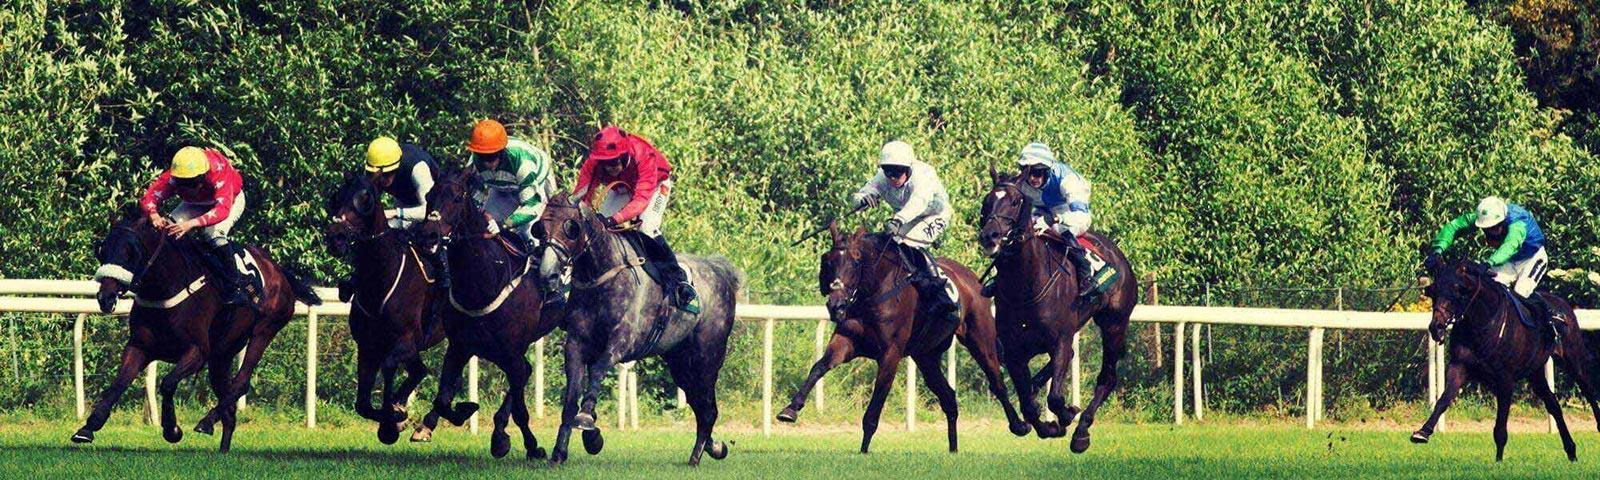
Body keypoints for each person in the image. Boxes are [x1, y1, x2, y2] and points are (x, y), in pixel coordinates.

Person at [571, 126, 697, 313]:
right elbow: (582, 195)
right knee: (597, 230)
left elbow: (640, 202)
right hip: (622, 188)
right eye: (605, 163)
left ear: (625, 154)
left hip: (655, 186)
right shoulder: (593, 162)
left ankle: (679, 279)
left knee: (646, 226)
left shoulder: (643, 156)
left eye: (615, 161)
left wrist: (615, 219)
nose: (610, 167)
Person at [849, 140, 958, 319]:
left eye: (897, 171)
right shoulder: (882, 177)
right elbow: (859, 194)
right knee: (889, 245)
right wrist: (863, 199)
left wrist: (898, 221)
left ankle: (940, 292)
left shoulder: (924, 175)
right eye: (888, 171)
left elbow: (918, 203)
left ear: (908, 168)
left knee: (907, 243)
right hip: (907, 217)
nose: (892, 177)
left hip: (934, 214)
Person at [336, 137, 447, 301]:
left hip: (436, 210)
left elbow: (427, 211)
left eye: (388, 174)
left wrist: (396, 212)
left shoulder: (418, 168)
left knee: (433, 244)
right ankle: (356, 276)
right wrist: (346, 217)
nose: (383, 180)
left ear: (398, 165)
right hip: (406, 205)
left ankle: (445, 281)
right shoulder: (374, 173)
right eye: (379, 175)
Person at [1427, 196, 1556, 334]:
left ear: (1502, 221)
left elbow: (1510, 245)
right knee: (1489, 289)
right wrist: (1437, 250)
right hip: (1509, 261)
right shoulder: (1483, 216)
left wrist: (1488, 263)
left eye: (1494, 228)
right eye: (1486, 229)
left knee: (1520, 291)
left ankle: (1549, 328)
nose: (1490, 233)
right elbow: (1453, 227)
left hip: (1533, 258)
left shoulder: (1517, 222)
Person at [139, 146, 250, 305]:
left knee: (213, 234)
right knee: (168, 231)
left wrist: (192, 223)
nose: (187, 187)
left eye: (192, 182)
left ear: (204, 174)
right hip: (194, 203)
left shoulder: (219, 170)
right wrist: (154, 215)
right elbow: (149, 197)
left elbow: (222, 210)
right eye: (182, 183)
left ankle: (234, 286)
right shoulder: (172, 176)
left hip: (229, 201)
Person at [1012, 142, 1095, 299]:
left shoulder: (1068, 180)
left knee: (1060, 229)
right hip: (1044, 211)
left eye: (1037, 172)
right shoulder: (1024, 183)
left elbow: (1081, 214)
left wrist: (1054, 219)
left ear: (1047, 170)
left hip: (1071, 212)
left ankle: (1085, 272)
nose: (1032, 178)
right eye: (1027, 172)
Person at [467, 119, 558, 250]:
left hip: (535, 183)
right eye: (483, 157)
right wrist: (484, 215)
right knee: (481, 228)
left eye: (492, 157)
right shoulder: (474, 162)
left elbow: (532, 206)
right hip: (501, 188)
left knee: (531, 233)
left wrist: (504, 224)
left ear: (502, 151)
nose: (488, 164)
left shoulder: (522, 161)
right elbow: (475, 199)